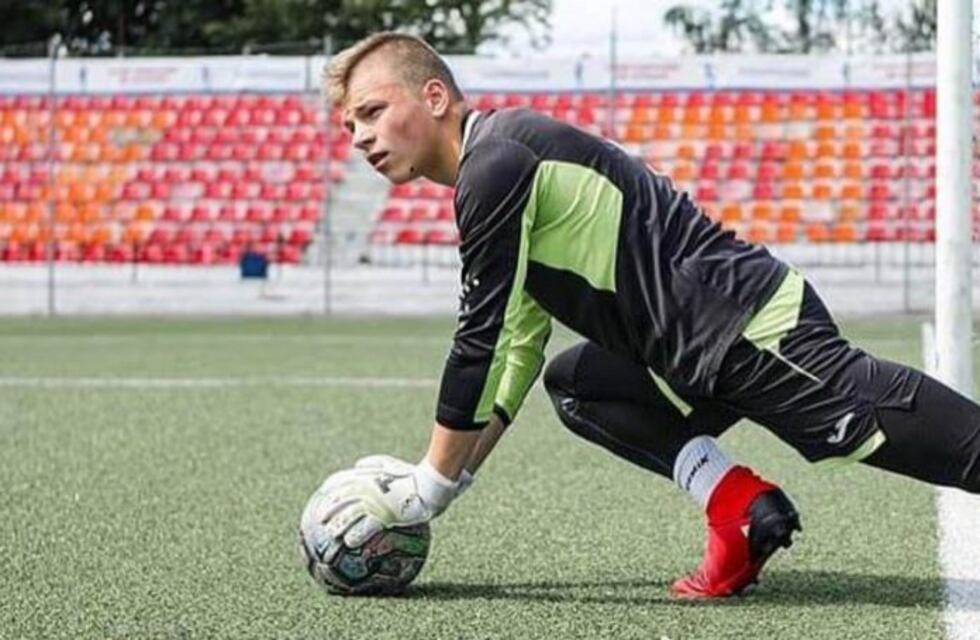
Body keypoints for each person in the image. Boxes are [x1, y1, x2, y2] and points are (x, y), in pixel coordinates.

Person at [310, 32, 980, 599]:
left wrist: (425, 483)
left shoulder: (495, 162)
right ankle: (739, 509)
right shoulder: (489, 172)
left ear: (434, 97)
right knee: (580, 384)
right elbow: (515, 347)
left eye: (372, 111)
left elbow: (475, 341)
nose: (361, 137)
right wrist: (452, 482)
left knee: (919, 442)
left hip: (743, 328)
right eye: (350, 127)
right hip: (686, 353)